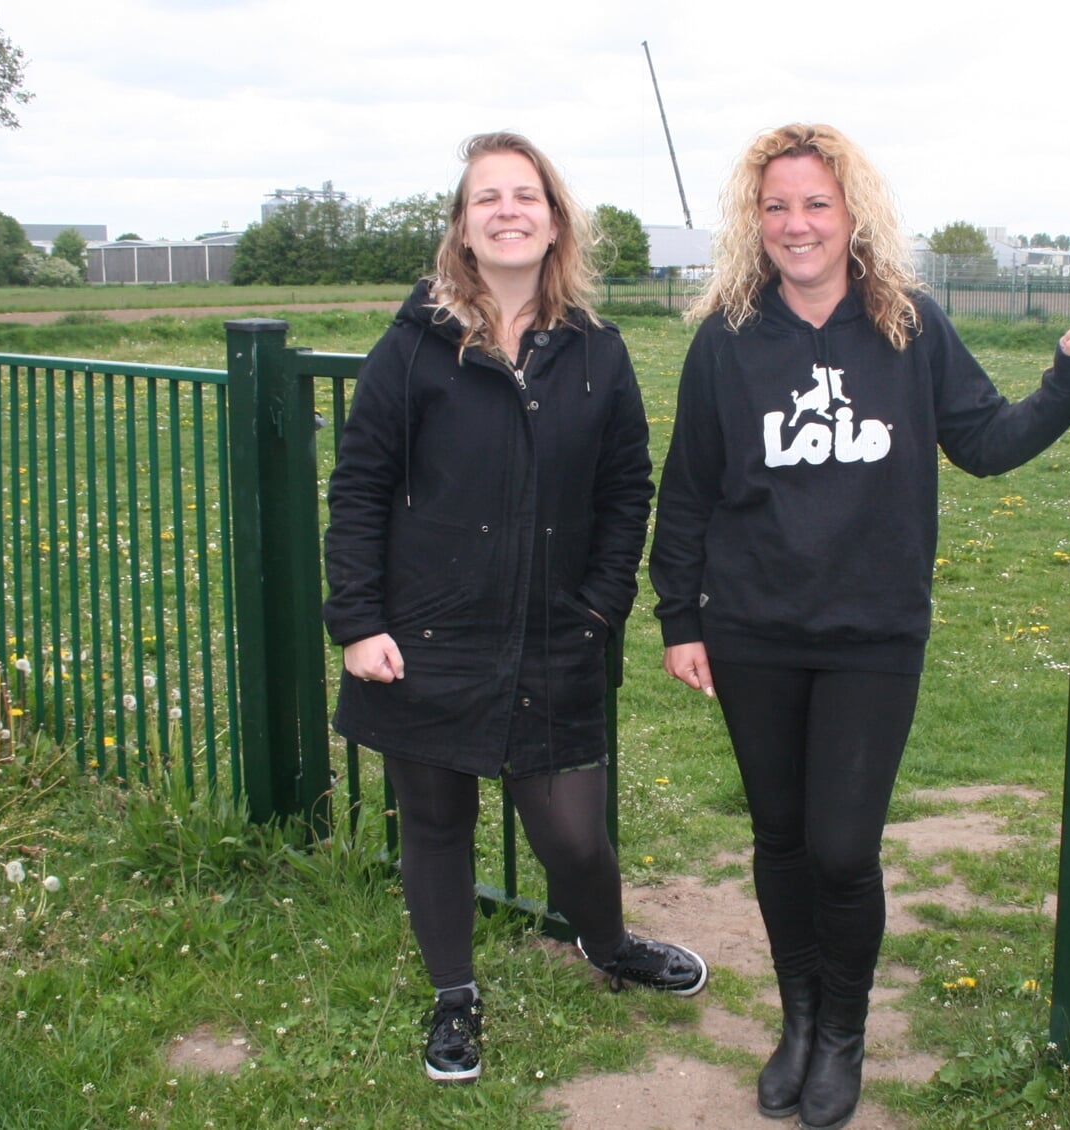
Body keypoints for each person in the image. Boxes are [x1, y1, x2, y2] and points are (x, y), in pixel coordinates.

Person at [649, 123, 1070, 1130]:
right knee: (778, 838)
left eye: (816, 204)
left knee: (842, 848)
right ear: (753, 220)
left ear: (852, 214)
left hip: (873, 634)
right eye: (777, 206)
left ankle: (844, 1030)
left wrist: (1068, 380)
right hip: (755, 628)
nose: (796, 224)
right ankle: (799, 1021)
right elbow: (686, 489)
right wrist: (681, 614)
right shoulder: (727, 338)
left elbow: (984, 441)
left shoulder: (910, 325)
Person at [324, 131, 707, 1085]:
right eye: (486, 196)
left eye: (525, 195)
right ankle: (455, 997)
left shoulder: (596, 350)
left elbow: (629, 488)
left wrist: (601, 605)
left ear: (553, 220)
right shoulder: (411, 347)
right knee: (437, 823)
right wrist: (359, 622)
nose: (507, 210)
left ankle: (607, 942)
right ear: (462, 225)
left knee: (573, 833)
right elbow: (360, 486)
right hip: (427, 633)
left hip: (555, 633)